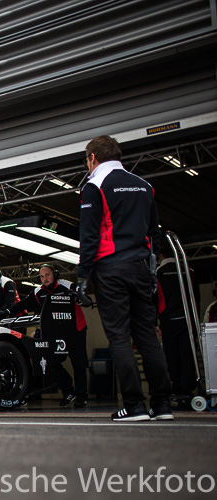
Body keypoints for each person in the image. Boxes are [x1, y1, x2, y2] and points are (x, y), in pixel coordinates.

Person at [76, 135, 172, 422]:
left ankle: (134, 406)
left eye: (86, 158)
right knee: (147, 337)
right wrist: (151, 270)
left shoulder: (94, 186)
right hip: (142, 267)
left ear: (92, 157)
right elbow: (154, 234)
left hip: (111, 269)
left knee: (119, 336)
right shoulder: (145, 186)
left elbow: (90, 236)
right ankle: (162, 404)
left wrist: (83, 276)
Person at [0, 264, 89, 408]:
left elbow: (82, 296)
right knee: (51, 362)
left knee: (79, 363)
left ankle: (82, 397)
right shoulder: (38, 292)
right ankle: (68, 392)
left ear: (55, 275)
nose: (45, 279)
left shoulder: (67, 286)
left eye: (48, 275)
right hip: (55, 333)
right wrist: (5, 312)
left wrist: (82, 295)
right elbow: (21, 305)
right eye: (42, 276)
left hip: (76, 330)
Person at [156, 248, 200, 399]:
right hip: (187, 320)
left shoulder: (158, 273)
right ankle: (187, 387)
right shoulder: (190, 271)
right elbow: (196, 299)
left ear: (161, 255)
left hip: (168, 321)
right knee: (188, 354)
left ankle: (176, 387)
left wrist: (154, 321)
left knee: (171, 354)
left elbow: (154, 300)